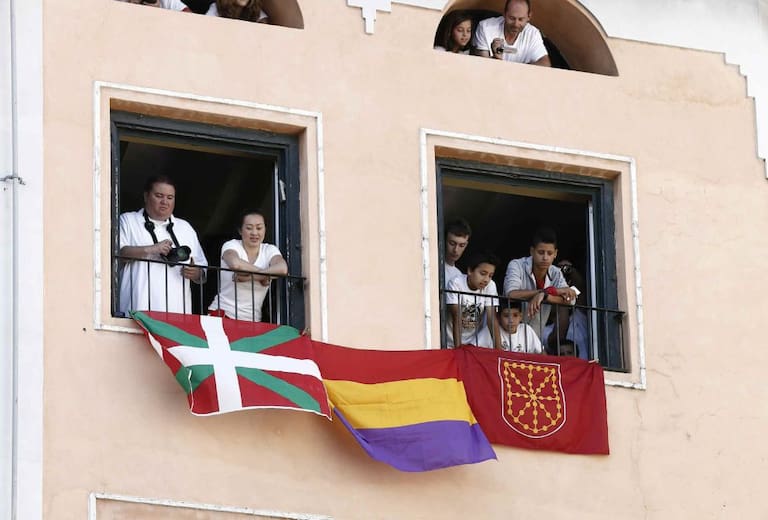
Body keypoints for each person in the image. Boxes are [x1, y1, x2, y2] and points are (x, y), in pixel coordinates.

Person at [118, 175, 207, 316]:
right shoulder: (128, 220)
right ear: (146, 196)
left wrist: (196, 273)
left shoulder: (185, 227)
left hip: (176, 313)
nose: (165, 202)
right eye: (159, 196)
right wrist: (151, 249)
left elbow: (202, 270)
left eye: (170, 197)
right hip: (136, 309)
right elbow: (118, 254)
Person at [208, 210, 288, 321]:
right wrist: (266, 276)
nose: (254, 233)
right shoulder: (231, 245)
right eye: (249, 228)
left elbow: (283, 269)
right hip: (222, 314)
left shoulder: (269, 250)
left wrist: (249, 277)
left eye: (259, 228)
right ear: (240, 230)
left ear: (265, 229)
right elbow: (235, 264)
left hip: (253, 320)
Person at [502, 226, 576, 339]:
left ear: (555, 254)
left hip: (535, 336)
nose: (545, 257)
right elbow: (511, 294)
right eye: (541, 252)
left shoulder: (556, 272)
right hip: (508, 334)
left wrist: (546, 296)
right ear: (532, 251)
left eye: (549, 253)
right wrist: (544, 292)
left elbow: (571, 300)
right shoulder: (517, 265)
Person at [446, 252, 500, 349]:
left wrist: (499, 352)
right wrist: (458, 349)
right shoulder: (456, 283)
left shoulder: (490, 285)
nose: (486, 279)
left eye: (490, 275)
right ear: (470, 271)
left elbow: (491, 318)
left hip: (475, 342)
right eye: (483, 274)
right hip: (451, 342)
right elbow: (456, 317)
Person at [471, 0, 550, 66]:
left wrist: (517, 71)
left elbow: (545, 63)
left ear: (529, 17)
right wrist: (496, 58)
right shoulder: (485, 27)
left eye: (521, 19)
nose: (516, 24)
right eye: (512, 18)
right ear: (504, 14)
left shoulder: (533, 34)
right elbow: (482, 65)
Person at [542, 260, 589, 359]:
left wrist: (570, 270)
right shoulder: (545, 331)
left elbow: (581, 289)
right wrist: (562, 294)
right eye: (552, 298)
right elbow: (559, 337)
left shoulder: (578, 317)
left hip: (584, 367)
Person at [444, 218, 471, 285]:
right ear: (444, 241)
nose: (456, 250)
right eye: (452, 243)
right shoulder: (432, 268)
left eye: (461, 245)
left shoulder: (459, 275)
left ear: (466, 245)